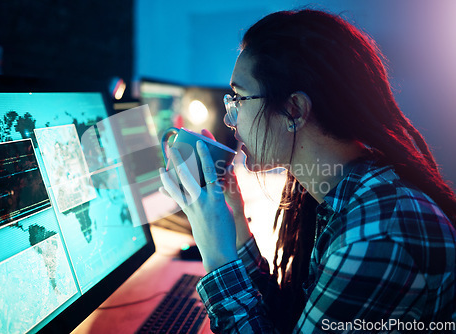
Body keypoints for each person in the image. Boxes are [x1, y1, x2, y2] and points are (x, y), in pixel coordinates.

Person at [159, 9, 456, 333]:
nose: (231, 119)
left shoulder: (376, 235)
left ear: (294, 109)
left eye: (239, 100)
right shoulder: (341, 192)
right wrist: (235, 220)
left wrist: (217, 255)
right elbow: (285, 319)